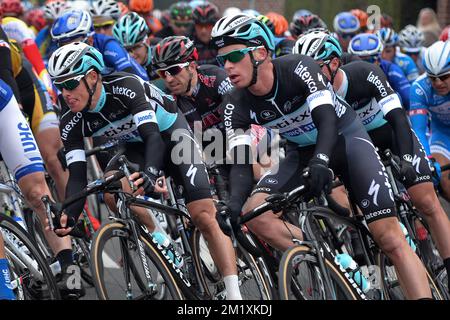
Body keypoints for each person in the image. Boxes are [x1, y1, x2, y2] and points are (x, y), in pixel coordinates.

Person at [211, 14, 432, 299]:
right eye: (221, 60)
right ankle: (329, 258)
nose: (227, 66)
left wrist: (322, 162)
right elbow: (240, 164)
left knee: (389, 238)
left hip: (345, 140)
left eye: (234, 56)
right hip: (300, 152)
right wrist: (232, 205)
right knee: (256, 215)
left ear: (260, 53)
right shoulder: (234, 103)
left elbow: (327, 121)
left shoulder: (298, 69)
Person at [48, 42, 243, 300]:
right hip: (134, 146)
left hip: (171, 134)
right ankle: (161, 239)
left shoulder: (126, 88)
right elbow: (77, 174)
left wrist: (151, 174)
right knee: (112, 191)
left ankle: (234, 295)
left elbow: (153, 138)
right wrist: (69, 214)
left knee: (203, 215)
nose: (65, 93)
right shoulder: (70, 120)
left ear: (93, 77)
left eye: (70, 84)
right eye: (59, 86)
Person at [294, 31, 450, 294]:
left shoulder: (365, 74)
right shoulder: (311, 96)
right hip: (358, 147)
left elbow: (399, 119)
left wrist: (408, 160)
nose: (308, 78)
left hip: (391, 135)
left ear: (333, 64)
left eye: (315, 69)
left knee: (425, 200)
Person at [0, 25, 80, 299]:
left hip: (6, 101)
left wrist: (20, 114)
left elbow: (3, 67)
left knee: (36, 190)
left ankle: (70, 268)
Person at [51, 9, 149, 81]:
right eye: (63, 46)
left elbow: (129, 75)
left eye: (74, 44)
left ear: (90, 40)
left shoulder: (108, 44)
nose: (68, 52)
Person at [410, 41, 450, 204]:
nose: (438, 83)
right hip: (442, 134)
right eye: (432, 78)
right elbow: (418, 129)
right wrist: (429, 159)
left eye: (444, 77)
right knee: (444, 180)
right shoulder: (420, 88)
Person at [348, 33, 411, 110]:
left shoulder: (391, 70)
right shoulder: (343, 73)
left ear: (378, 59)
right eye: (359, 61)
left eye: (370, 60)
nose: (364, 66)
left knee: (397, 97)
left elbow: (409, 100)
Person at [191, 1, 219, 66]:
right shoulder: (188, 42)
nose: (203, 31)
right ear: (194, 25)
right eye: (200, 26)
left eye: (208, 26)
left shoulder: (223, 41)